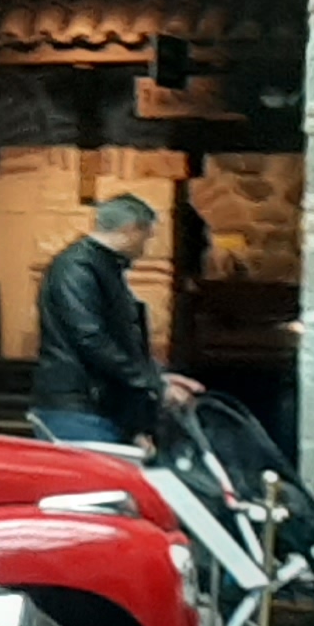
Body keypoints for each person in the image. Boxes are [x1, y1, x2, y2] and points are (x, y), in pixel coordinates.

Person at [31, 192, 196, 448]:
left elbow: (118, 339)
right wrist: (153, 384)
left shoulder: (99, 266)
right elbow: (91, 338)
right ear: (131, 229)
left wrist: (157, 377)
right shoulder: (78, 268)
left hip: (92, 406)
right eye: (147, 236)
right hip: (78, 407)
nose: (146, 246)